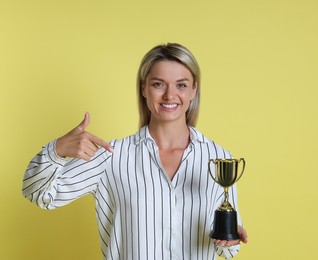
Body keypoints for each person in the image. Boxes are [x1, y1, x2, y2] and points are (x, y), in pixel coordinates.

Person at [22, 43, 248, 259]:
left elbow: (228, 251)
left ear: (193, 90)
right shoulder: (111, 157)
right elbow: (40, 195)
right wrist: (57, 150)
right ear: (144, 88)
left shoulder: (217, 159)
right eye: (159, 84)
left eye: (181, 84)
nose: (170, 95)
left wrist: (231, 238)